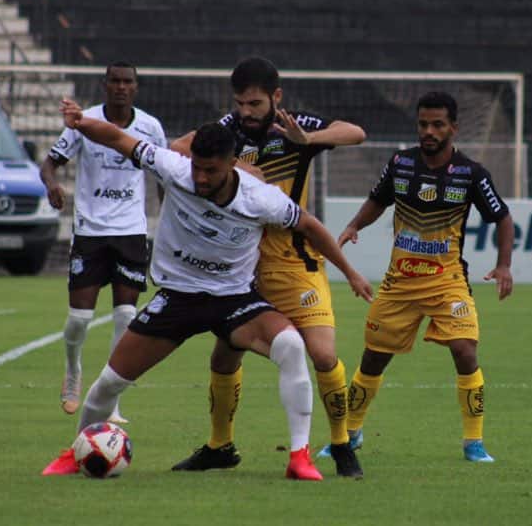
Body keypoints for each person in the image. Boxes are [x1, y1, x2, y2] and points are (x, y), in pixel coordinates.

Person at [41, 102, 374, 480]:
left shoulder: (259, 197)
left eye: (210, 170)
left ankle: (300, 457)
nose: (199, 177)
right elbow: (118, 138)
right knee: (110, 383)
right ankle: (75, 452)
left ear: (232, 163)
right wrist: (82, 123)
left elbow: (310, 226)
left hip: (234, 298)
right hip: (178, 297)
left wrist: (349, 272)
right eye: (197, 166)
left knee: (292, 346)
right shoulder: (176, 168)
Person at [169, 56, 370, 478]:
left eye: (255, 103)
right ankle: (220, 445)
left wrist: (309, 139)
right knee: (224, 356)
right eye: (241, 103)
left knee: (323, 354)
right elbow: (177, 147)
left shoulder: (293, 126)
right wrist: (238, 165)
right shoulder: (227, 131)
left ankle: (340, 444)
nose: (246, 112)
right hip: (242, 267)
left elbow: (356, 132)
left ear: (276, 98)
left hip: (295, 263)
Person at [333, 91, 514, 463]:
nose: (428, 131)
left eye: (437, 125)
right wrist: (354, 224)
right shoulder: (400, 163)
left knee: (465, 351)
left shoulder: (471, 174)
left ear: (454, 128)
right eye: (422, 124)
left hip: (447, 281)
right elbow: (377, 200)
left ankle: (474, 442)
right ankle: (350, 434)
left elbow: (503, 218)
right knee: (373, 360)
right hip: (399, 282)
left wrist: (505, 264)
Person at [40, 62, 167, 424]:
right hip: (90, 231)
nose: (121, 87)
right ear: (105, 85)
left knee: (126, 317)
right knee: (79, 319)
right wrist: (52, 185)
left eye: (128, 82)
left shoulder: (150, 127)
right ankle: (73, 368)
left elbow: (163, 175)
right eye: (115, 81)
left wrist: (169, 220)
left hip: (130, 232)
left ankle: (109, 399)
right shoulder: (85, 122)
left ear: (136, 88)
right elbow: (49, 164)